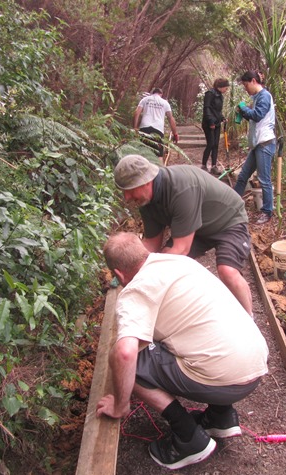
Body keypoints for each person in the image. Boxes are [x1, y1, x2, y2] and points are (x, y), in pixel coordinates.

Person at [97, 232, 269, 470]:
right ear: (144, 251)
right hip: (256, 365)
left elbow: (125, 353)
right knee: (195, 335)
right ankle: (220, 417)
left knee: (126, 361)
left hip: (226, 381)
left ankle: (189, 438)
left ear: (118, 274)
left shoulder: (135, 291)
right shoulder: (180, 262)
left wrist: (119, 404)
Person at [113, 154, 254, 316]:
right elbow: (152, 244)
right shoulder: (146, 201)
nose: (127, 198)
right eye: (124, 191)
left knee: (227, 271)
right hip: (198, 227)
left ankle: (249, 318)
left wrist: (147, 275)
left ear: (145, 181)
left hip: (228, 221)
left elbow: (181, 250)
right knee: (165, 254)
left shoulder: (180, 189)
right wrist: (130, 268)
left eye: (130, 190)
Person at [233, 71, 276, 225]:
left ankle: (267, 212)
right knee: (243, 176)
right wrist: (243, 112)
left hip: (265, 143)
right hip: (257, 144)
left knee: (264, 180)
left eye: (246, 85)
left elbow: (257, 115)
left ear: (253, 81)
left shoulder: (264, 96)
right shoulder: (257, 97)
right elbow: (253, 117)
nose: (246, 89)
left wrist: (244, 108)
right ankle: (231, 205)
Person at [134, 88, 179, 161]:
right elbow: (171, 119)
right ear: (161, 94)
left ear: (153, 93)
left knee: (142, 153)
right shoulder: (165, 103)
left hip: (144, 129)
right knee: (159, 155)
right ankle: (159, 168)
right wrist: (175, 134)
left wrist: (135, 128)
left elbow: (137, 113)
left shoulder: (145, 100)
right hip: (158, 130)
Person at [201, 78, 230, 175]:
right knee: (211, 143)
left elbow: (217, 110)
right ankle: (204, 165)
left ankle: (214, 166)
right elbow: (207, 108)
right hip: (208, 123)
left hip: (217, 123)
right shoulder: (209, 94)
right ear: (220, 86)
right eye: (225, 88)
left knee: (216, 145)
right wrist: (210, 121)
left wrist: (222, 118)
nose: (226, 90)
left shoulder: (220, 96)